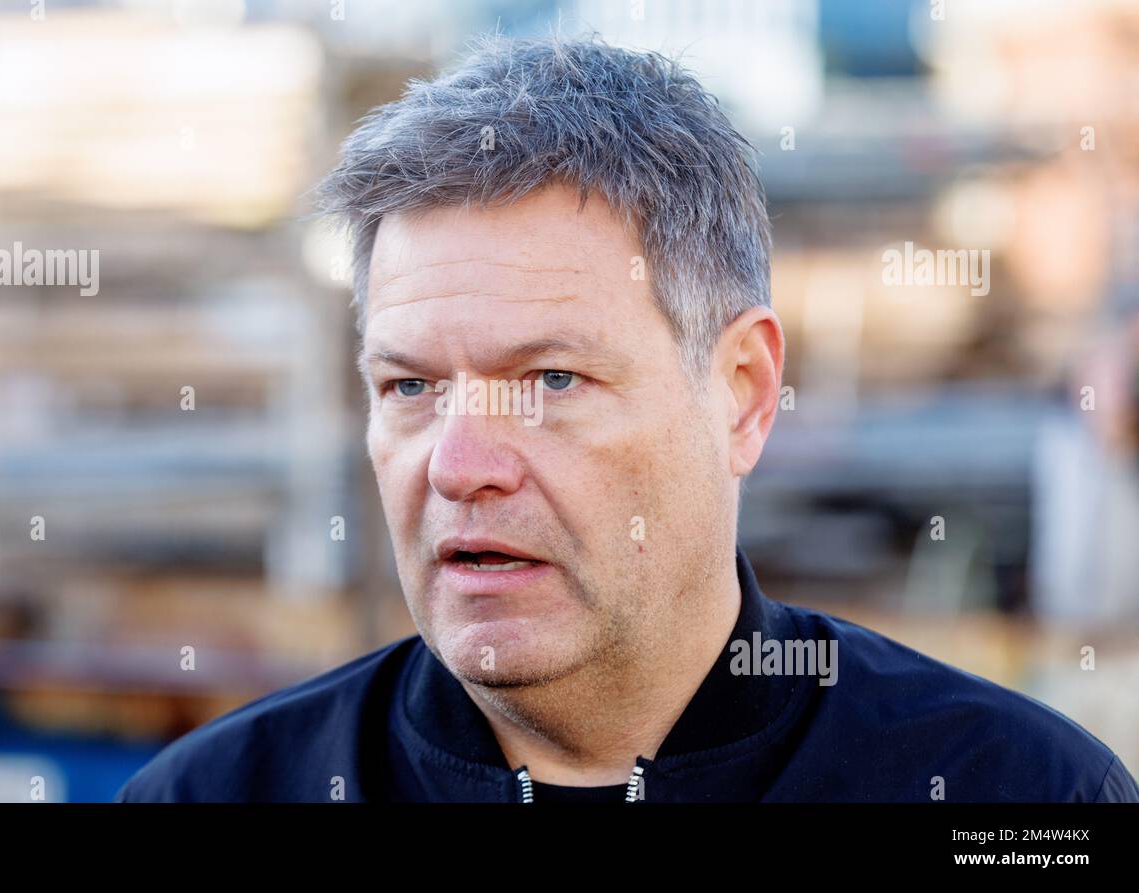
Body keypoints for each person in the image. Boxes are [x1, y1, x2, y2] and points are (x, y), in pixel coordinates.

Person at [116, 33, 1138, 803]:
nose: (461, 464)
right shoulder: (211, 795)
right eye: (410, 388)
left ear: (741, 390)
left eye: (551, 381)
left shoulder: (1011, 794)